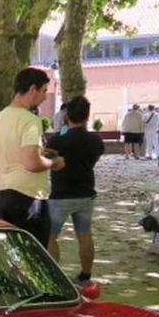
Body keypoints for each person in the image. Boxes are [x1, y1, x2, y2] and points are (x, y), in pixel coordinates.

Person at [0, 68, 65, 248]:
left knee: (15, 255)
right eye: (44, 91)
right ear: (32, 89)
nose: (45, 97)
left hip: (3, 195)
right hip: (28, 197)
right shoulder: (29, 120)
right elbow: (31, 163)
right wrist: (54, 163)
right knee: (35, 257)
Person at [45, 96, 104, 284]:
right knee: (84, 234)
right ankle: (86, 274)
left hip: (61, 194)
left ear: (66, 115)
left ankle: (54, 276)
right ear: (87, 116)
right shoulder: (95, 140)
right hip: (86, 191)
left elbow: (47, 157)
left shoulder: (57, 141)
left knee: (50, 236)